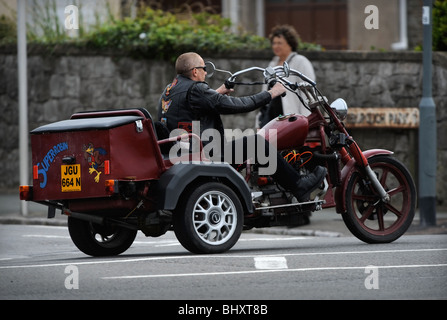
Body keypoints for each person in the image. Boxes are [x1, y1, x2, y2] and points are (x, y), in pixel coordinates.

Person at [158, 52, 326, 201]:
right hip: (206, 155)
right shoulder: (196, 89)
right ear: (195, 71)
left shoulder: (169, 90)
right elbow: (238, 105)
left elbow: (191, 107)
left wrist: (218, 92)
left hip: (181, 153)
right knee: (257, 143)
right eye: (204, 68)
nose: (206, 72)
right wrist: (271, 93)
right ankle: (299, 185)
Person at [256, 25, 316, 128]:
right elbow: (265, 92)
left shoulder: (301, 62)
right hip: (271, 118)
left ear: (290, 44)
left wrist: (306, 119)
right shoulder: (272, 64)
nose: (276, 46)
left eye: (280, 43)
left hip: (293, 118)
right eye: (274, 43)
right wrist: (259, 119)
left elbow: (308, 91)